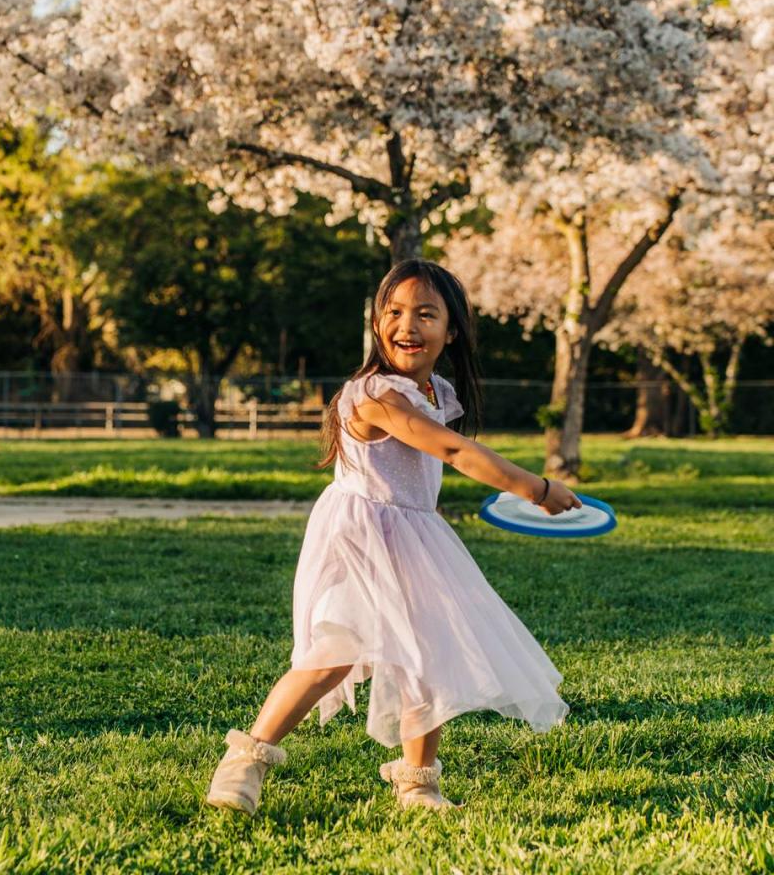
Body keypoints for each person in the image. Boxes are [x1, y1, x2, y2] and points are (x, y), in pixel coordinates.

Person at [206, 259, 581, 816]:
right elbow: (452, 452)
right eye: (395, 312)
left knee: (425, 660)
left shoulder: (435, 390)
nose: (408, 325)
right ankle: (246, 762)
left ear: (450, 331)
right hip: (357, 537)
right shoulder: (375, 395)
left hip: (414, 537)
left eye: (426, 314)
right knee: (331, 656)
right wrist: (537, 487)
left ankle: (417, 783)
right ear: (378, 321)